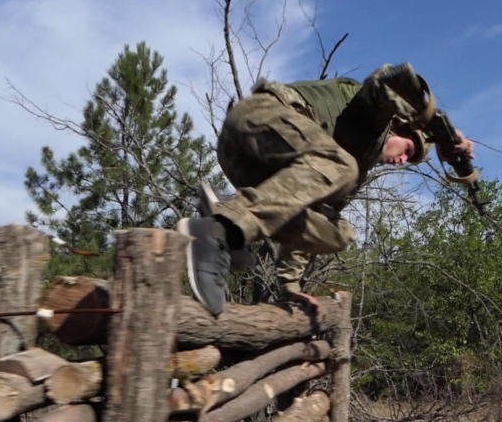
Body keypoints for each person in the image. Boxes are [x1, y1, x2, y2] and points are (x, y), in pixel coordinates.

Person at [176, 63, 475, 316]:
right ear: (399, 129)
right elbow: (387, 81)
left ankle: (221, 219)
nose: (400, 161)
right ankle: (222, 230)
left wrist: (290, 287)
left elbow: (308, 213)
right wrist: (433, 124)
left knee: (337, 230)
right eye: (407, 150)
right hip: (255, 121)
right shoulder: (373, 117)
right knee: (343, 167)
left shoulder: (340, 172)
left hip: (248, 168)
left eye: (407, 162)